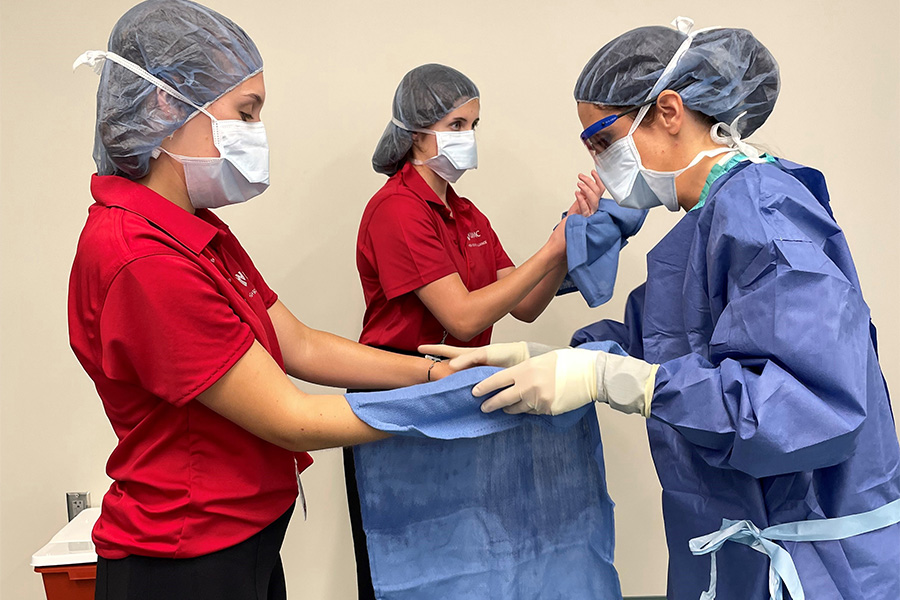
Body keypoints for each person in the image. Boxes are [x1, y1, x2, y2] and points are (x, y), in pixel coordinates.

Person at [429, 18, 900, 600]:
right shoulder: (702, 228)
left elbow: (811, 408)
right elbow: (655, 343)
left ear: (670, 111)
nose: (599, 162)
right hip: (739, 556)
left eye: (604, 139)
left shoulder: (767, 215)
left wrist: (614, 379)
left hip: (820, 569)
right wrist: (551, 359)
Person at [68, 2, 454, 599]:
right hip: (184, 557)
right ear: (167, 106)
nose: (256, 133)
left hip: (239, 540)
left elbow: (296, 343)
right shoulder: (142, 256)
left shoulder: (194, 229)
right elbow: (291, 417)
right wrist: (450, 402)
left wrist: (435, 371)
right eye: (244, 113)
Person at [346, 63, 601, 596]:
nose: (469, 139)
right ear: (417, 132)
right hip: (400, 397)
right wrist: (554, 248)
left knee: (469, 552)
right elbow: (463, 316)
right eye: (457, 125)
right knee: (408, 556)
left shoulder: (466, 215)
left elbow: (527, 302)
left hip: (456, 392)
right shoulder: (396, 210)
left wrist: (574, 234)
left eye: (474, 125)